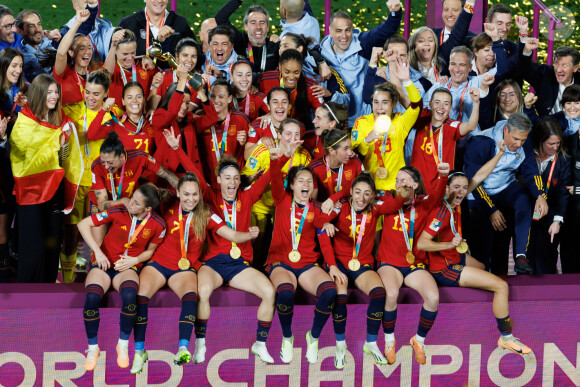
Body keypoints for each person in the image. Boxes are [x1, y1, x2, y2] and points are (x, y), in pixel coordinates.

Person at [164, 130, 277, 364]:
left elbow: (268, 178)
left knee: (269, 292)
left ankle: (260, 343)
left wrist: (280, 157)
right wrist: (177, 148)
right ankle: (201, 344)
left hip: (238, 265)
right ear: (218, 180)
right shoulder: (209, 195)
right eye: (227, 178)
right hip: (212, 264)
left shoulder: (247, 197)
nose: (232, 182)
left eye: (236, 178)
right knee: (202, 292)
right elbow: (193, 173)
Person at [129, 172, 260, 373]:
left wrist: (248, 235)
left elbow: (231, 234)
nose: (191, 199)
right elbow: (139, 201)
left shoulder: (206, 213)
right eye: (186, 194)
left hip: (185, 268)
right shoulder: (165, 203)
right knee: (141, 296)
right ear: (178, 193)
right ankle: (139, 351)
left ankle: (183, 347)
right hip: (159, 264)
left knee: (191, 297)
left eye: (195, 194)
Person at [417, 166, 532, 357]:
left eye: (464, 187)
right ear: (446, 189)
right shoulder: (442, 212)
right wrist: (448, 244)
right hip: (445, 267)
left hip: (455, 255)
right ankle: (506, 337)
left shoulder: (455, 202)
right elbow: (422, 243)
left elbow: (479, 176)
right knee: (501, 286)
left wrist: (500, 154)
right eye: (456, 187)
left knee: (481, 267)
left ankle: (473, 299)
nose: (461, 191)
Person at [315, 172, 407, 368]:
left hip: (362, 264)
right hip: (339, 263)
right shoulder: (341, 207)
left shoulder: (374, 209)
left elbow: (396, 204)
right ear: (350, 193)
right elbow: (318, 222)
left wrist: (404, 193)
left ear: (372, 195)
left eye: (366, 193)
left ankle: (371, 343)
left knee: (379, 293)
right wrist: (325, 222)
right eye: (357, 192)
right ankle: (340, 346)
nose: (361, 198)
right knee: (340, 296)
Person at [265, 144, 346, 365]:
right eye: (300, 180)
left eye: (309, 181)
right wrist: (276, 159)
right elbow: (274, 177)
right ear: (291, 185)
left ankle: (314, 336)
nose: (306, 184)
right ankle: (287, 337)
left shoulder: (317, 209)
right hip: (281, 262)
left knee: (330, 292)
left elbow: (321, 232)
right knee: (285, 292)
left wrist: (332, 266)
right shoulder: (282, 201)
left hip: (308, 265)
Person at [77, 184, 166, 371]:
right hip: (104, 264)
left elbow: (150, 251)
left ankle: (123, 344)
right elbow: (82, 224)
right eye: (131, 198)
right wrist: (98, 252)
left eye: (136, 202)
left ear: (147, 209)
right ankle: (93, 348)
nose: (129, 203)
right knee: (92, 297)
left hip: (126, 267)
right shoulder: (118, 210)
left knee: (129, 297)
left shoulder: (159, 225)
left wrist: (135, 259)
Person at [376, 163, 450, 365]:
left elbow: (437, 196)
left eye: (404, 180)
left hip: (414, 264)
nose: (399, 183)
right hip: (389, 263)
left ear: (415, 184)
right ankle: (389, 341)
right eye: (397, 180)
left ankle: (419, 340)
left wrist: (443, 177)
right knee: (391, 294)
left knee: (433, 298)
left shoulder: (424, 203)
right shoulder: (387, 200)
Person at [9, 74, 76, 283]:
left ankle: (48, 290)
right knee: (33, 246)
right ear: (38, 94)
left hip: (54, 187)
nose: (54, 96)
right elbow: (20, 159)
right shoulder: (24, 121)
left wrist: (64, 145)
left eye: (56, 92)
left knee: (52, 242)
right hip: (30, 191)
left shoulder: (62, 119)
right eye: (49, 92)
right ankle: (27, 295)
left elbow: (63, 160)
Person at [464, 113, 548, 275]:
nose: (519, 144)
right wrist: (492, 210)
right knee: (484, 240)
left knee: (524, 198)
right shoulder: (481, 142)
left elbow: (531, 172)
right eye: (515, 139)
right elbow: (472, 181)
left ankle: (521, 256)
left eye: (523, 140)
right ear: (506, 130)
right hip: (478, 192)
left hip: (505, 186)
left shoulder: (524, 141)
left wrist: (540, 195)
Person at [60, 70, 115, 283]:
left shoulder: (111, 116)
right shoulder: (70, 111)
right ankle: (66, 279)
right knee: (70, 233)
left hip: (97, 184)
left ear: (105, 95)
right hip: (73, 182)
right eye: (88, 92)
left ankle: (96, 277)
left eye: (96, 94)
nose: (91, 98)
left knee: (98, 233)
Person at [319, 1, 403, 126]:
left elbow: (386, 30)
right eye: (338, 31)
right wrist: (321, 62)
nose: (344, 36)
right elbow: (302, 51)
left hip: (365, 119)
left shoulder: (363, 43)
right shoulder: (321, 51)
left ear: (352, 30)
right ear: (330, 31)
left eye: (347, 30)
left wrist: (395, 12)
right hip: (338, 122)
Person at [242, 119, 311, 267]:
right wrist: (252, 178)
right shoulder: (263, 150)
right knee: (257, 239)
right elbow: (243, 181)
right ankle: (252, 268)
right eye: (288, 134)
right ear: (279, 135)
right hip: (260, 204)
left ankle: (277, 268)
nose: (292, 138)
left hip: (285, 207)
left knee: (281, 242)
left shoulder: (304, 156)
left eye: (296, 134)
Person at [351, 58, 421, 192]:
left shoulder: (400, 121)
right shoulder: (361, 122)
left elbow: (417, 107)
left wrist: (407, 81)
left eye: (385, 102)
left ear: (393, 104)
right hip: (368, 189)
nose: (379, 107)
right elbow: (354, 155)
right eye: (375, 102)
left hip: (395, 189)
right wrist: (367, 140)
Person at [152, 66, 217, 179]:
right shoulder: (160, 115)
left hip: (190, 176)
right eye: (181, 102)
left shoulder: (189, 119)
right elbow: (172, 112)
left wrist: (200, 92)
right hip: (168, 177)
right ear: (170, 100)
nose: (184, 107)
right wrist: (182, 80)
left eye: (187, 102)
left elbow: (213, 118)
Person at [411, 87, 480, 194]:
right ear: (430, 104)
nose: (441, 107)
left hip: (438, 189)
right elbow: (407, 102)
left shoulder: (452, 125)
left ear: (451, 107)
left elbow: (471, 126)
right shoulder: (423, 115)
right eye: (437, 102)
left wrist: (476, 103)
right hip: (415, 185)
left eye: (446, 103)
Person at [527, 117, 570, 273]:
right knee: (527, 257)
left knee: (547, 256)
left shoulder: (563, 160)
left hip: (550, 215)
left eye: (558, 143)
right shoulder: (528, 154)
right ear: (540, 140)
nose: (555, 147)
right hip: (527, 211)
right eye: (551, 144)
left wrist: (557, 220)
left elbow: (563, 194)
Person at [423, 46, 498, 133]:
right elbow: (424, 112)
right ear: (449, 65)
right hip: (444, 140)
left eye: (462, 65)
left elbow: (502, 67)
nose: (456, 69)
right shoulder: (439, 87)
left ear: (470, 67)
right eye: (453, 64)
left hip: (471, 141)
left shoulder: (478, 81)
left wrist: (497, 40)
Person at [196, 79, 248, 187]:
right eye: (213, 96)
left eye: (221, 96)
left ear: (229, 99)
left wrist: (245, 144)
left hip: (234, 182)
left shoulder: (241, 119)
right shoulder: (201, 119)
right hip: (210, 183)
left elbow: (251, 150)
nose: (216, 100)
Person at [118, 0, 197, 70]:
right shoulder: (127, 24)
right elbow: (118, 56)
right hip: (136, 82)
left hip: (170, 83)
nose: (159, 1)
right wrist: (143, 58)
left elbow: (196, 54)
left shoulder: (180, 23)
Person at [277, 33, 348, 107]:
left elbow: (346, 101)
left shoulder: (323, 71)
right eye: (280, 46)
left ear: (299, 49)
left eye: (286, 46)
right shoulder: (277, 68)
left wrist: (330, 94)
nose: (281, 50)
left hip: (317, 116)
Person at [259, 49, 324, 128]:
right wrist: (251, 88)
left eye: (296, 72)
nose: (291, 77)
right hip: (270, 127)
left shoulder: (312, 87)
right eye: (287, 72)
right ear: (280, 67)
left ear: (301, 68)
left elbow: (323, 113)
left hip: (297, 130)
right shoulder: (265, 79)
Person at [87, 82, 156, 155]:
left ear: (144, 99)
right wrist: (103, 110)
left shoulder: (152, 122)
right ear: (123, 101)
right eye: (129, 97)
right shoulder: (116, 124)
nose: (134, 100)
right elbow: (91, 135)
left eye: (138, 96)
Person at [215, 1, 279, 78]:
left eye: (262, 22)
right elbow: (220, 18)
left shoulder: (274, 45)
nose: (258, 26)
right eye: (253, 22)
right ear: (246, 27)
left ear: (268, 27)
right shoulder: (239, 41)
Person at [520, 39, 580, 117]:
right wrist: (527, 51)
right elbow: (525, 69)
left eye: (565, 66)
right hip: (547, 126)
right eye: (556, 64)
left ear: (575, 68)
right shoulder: (545, 74)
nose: (558, 70)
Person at [308, 129, 363, 203]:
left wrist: (334, 197)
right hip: (325, 211)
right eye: (345, 149)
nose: (350, 153)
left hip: (349, 211)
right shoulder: (314, 168)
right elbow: (311, 203)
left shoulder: (355, 161)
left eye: (350, 148)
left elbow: (365, 188)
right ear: (331, 151)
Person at [103, 29, 157, 103]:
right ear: (115, 51)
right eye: (125, 54)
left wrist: (151, 63)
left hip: (141, 113)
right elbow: (107, 73)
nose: (129, 58)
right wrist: (113, 45)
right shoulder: (111, 67)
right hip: (116, 114)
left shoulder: (146, 65)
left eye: (133, 53)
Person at [53, 8, 93, 106]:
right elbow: (61, 53)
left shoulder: (95, 71)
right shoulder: (63, 73)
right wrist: (77, 22)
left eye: (89, 48)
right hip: (68, 121)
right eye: (82, 48)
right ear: (71, 53)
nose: (87, 52)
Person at [244, 87, 293, 159]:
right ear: (268, 106)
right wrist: (260, 142)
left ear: (289, 106)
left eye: (284, 102)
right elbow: (246, 156)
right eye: (275, 102)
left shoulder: (297, 127)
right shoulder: (257, 125)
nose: (280, 106)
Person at [16, 10, 61, 81]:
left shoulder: (50, 40)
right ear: (20, 31)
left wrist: (46, 33)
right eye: (31, 26)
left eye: (39, 24)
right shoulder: (21, 56)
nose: (38, 29)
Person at [433, 0, 476, 70]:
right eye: (446, 10)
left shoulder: (474, 40)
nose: (449, 14)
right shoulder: (431, 36)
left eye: (455, 10)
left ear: (463, 13)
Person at [0, 48, 27, 115]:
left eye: (20, 66)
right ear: (3, 66)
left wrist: (24, 106)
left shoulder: (26, 88)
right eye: (14, 66)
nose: (18, 70)